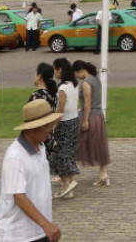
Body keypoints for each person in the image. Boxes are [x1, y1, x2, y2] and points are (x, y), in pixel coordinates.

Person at [0, 99, 62, 242]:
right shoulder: (15, 156)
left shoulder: (41, 147)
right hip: (19, 236)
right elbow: (19, 197)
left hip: (40, 231)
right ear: (32, 128)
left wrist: (45, 225)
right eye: (47, 126)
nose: (51, 129)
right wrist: (46, 224)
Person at [73, 60, 111, 186]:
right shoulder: (96, 80)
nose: (76, 78)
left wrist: (85, 119)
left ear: (79, 71)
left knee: (81, 144)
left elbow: (88, 102)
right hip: (98, 116)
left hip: (91, 118)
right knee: (100, 145)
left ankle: (68, 173)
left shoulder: (86, 82)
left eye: (76, 74)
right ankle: (103, 172)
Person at [52, 58, 81, 200]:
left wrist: (52, 127)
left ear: (60, 70)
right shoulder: (74, 84)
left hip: (65, 124)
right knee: (69, 153)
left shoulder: (62, 88)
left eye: (55, 69)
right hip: (74, 121)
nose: (54, 73)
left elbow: (60, 110)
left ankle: (67, 184)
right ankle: (69, 187)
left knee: (59, 156)